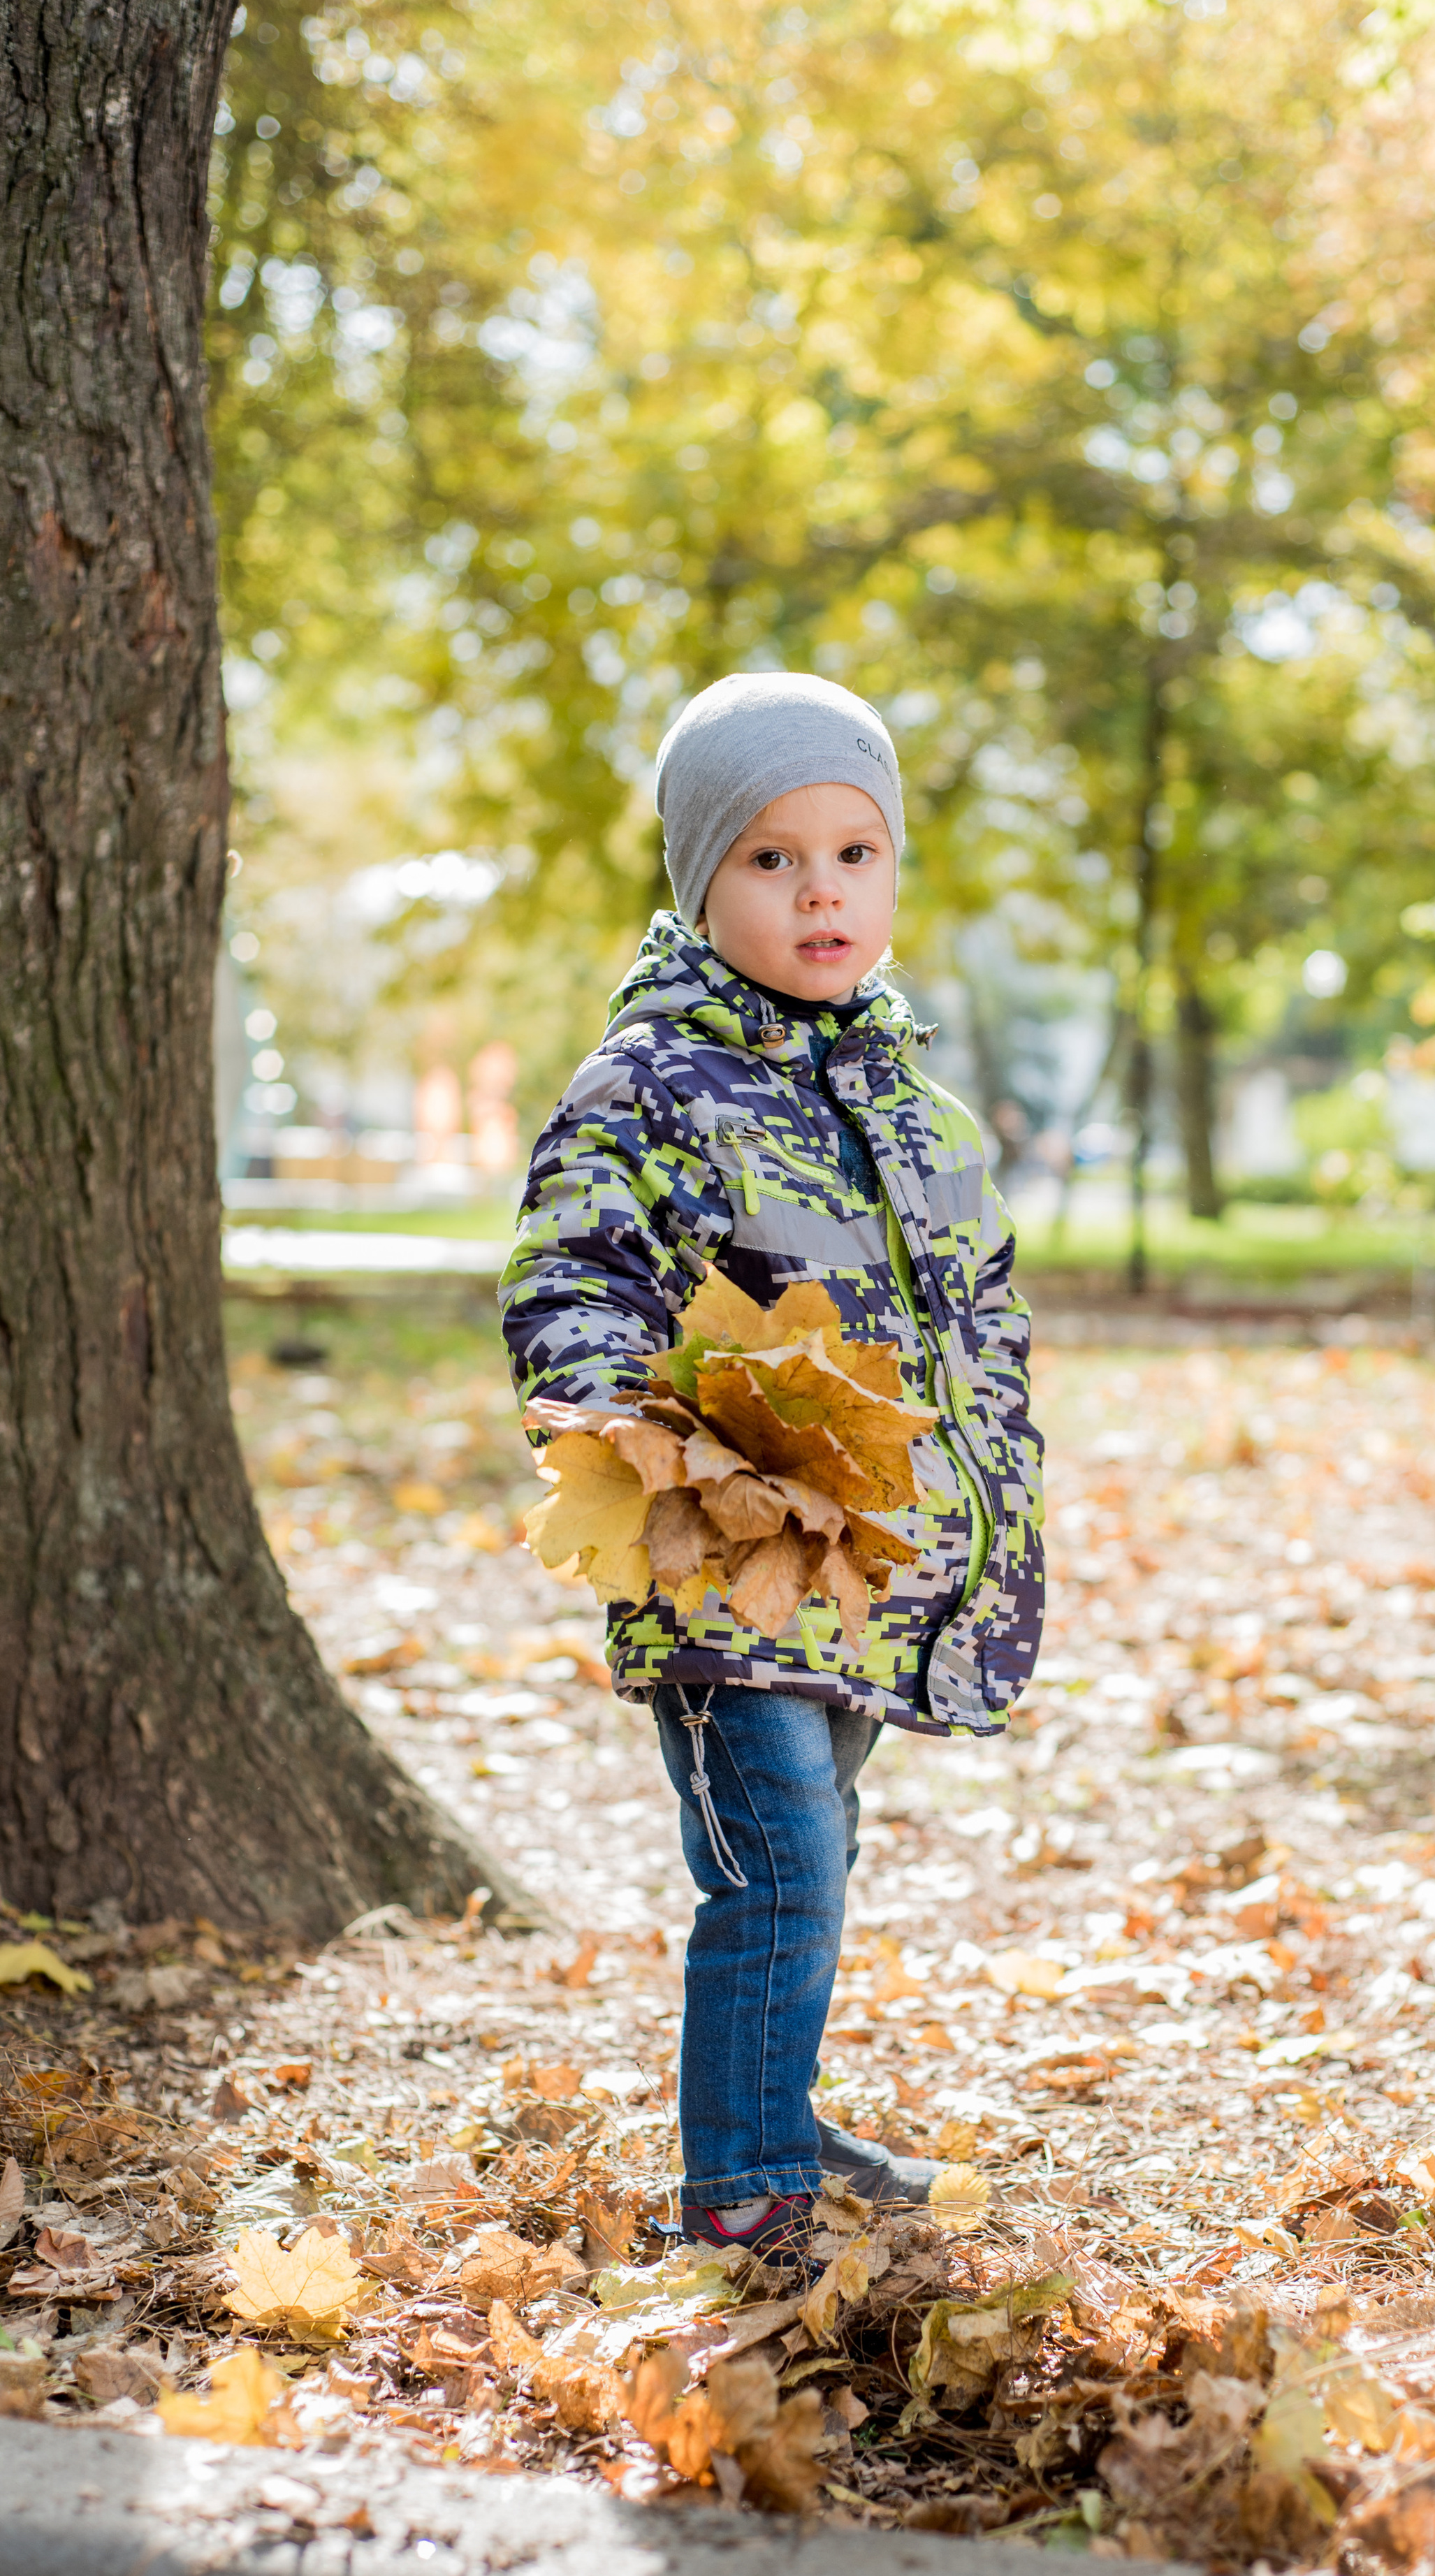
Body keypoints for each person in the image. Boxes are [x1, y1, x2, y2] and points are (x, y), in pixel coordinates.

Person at [500, 671, 1044, 2264]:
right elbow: (568, 1277)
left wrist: (979, 1516)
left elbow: (978, 1322)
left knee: (821, 1856)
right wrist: (630, 1435)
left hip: (863, 1567)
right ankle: (743, 2193)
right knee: (778, 1870)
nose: (821, 891)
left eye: (854, 854)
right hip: (716, 1553)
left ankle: (778, 2113)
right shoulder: (651, 1083)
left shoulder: (917, 1109)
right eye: (771, 859)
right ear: (699, 880)